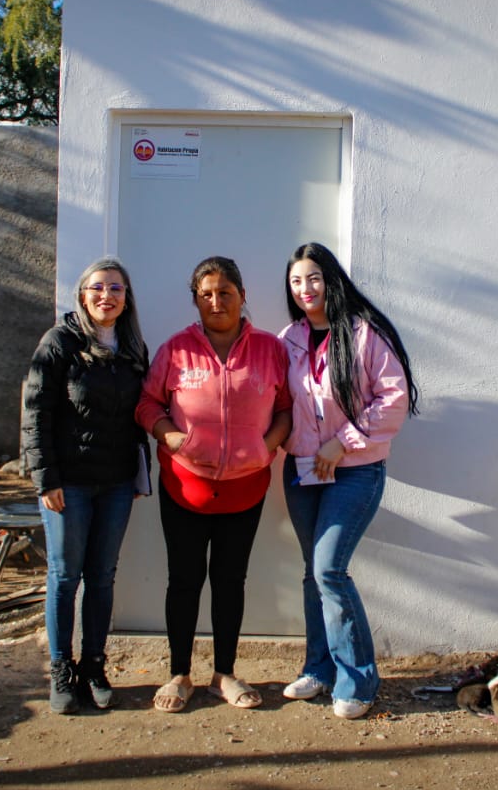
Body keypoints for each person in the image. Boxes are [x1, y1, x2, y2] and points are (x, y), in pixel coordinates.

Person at [136, 256, 291, 713]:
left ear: (243, 296)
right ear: (195, 301)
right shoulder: (175, 350)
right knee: (184, 580)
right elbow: (147, 402)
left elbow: (285, 409)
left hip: (246, 489)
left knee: (230, 581)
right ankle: (179, 674)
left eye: (225, 292)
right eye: (206, 294)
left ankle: (225, 673)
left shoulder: (269, 349)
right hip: (186, 487)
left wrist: (267, 449)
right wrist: (170, 435)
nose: (216, 301)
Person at [277, 242, 418, 720]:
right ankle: (319, 669)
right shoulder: (288, 339)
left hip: (355, 470)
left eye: (313, 277)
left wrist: (345, 441)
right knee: (311, 573)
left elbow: (393, 398)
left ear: (331, 279)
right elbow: (273, 399)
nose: (305, 289)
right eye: (296, 281)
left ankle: (358, 680)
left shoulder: (363, 333)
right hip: (300, 470)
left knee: (328, 571)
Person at [21, 256, 151, 715]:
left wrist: (140, 472)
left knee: (101, 577)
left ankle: (93, 666)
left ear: (125, 298)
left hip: (115, 484)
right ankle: (61, 668)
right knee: (64, 576)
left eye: (116, 289)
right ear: (82, 295)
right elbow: (35, 412)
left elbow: (140, 415)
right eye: (98, 288)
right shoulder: (59, 342)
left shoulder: (133, 347)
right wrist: (45, 478)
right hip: (68, 485)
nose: (106, 296)